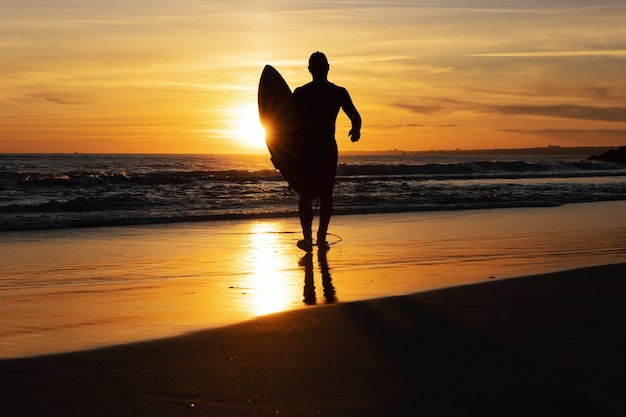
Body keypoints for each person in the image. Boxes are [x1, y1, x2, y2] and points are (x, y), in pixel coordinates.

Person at [293, 52, 361, 252]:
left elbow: (283, 123)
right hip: (326, 149)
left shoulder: (301, 93)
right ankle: (320, 238)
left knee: (306, 195)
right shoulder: (337, 92)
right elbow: (356, 117)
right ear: (328, 67)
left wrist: (285, 154)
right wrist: (356, 130)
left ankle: (309, 239)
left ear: (309, 69)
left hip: (307, 150)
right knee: (325, 194)